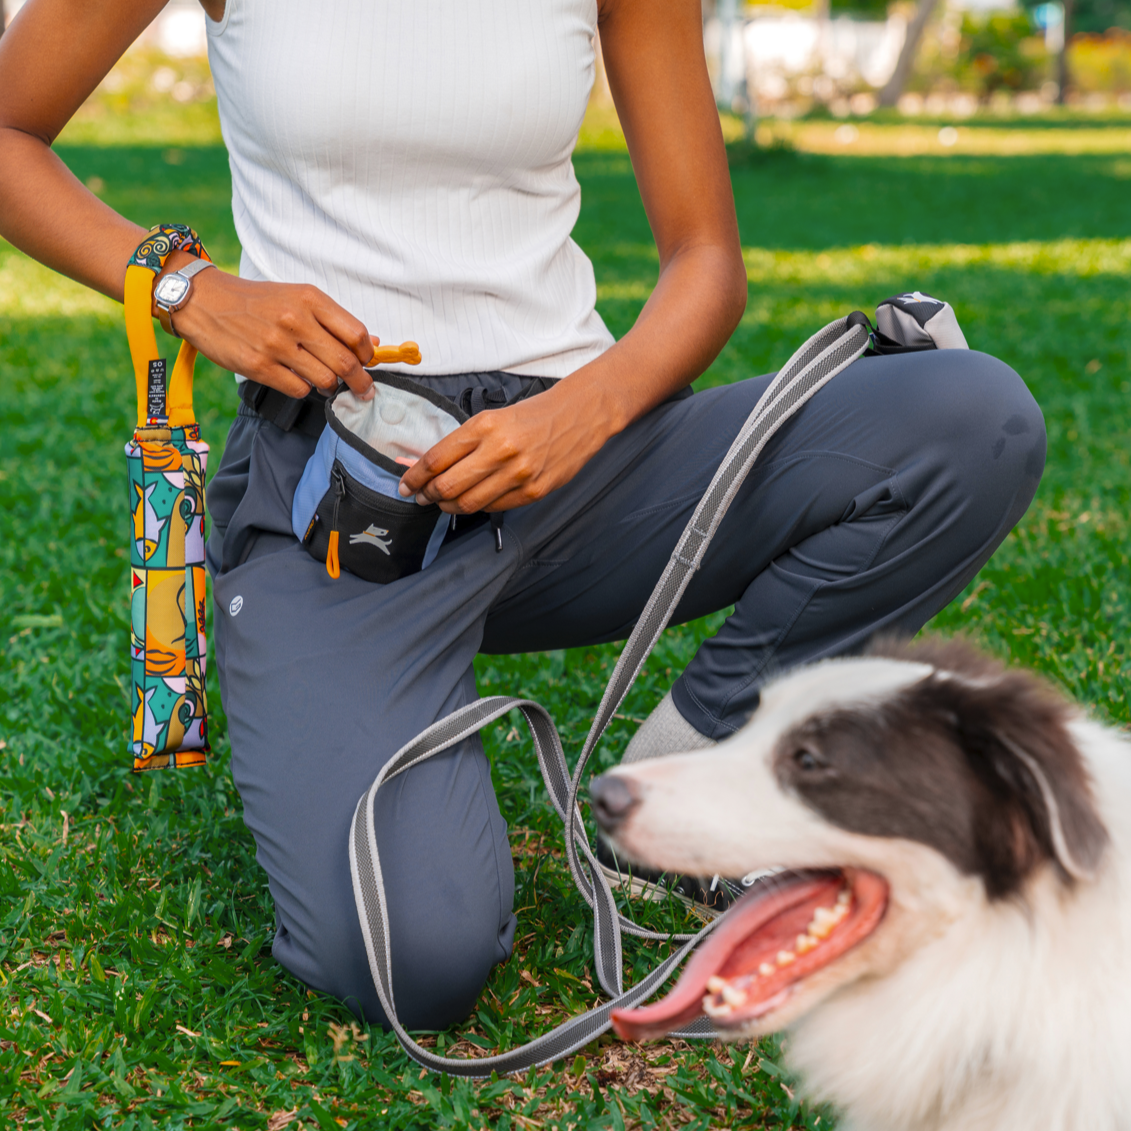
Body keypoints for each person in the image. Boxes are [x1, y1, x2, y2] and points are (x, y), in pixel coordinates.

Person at [0, 0, 1045, 1031]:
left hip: (581, 459)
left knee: (968, 421)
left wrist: (581, 411)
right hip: (341, 492)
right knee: (415, 961)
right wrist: (191, 290)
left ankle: (692, 767)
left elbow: (706, 262)